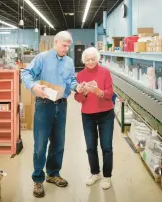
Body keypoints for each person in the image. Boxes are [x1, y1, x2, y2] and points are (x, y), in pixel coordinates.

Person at [21, 31, 82, 198]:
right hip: (44, 104)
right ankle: (38, 179)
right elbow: (25, 73)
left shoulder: (69, 61)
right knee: (40, 145)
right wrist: (33, 87)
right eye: (64, 45)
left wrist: (77, 87)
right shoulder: (42, 58)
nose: (66, 49)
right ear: (55, 42)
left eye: (68, 46)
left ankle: (53, 173)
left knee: (58, 143)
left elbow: (71, 80)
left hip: (61, 105)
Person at [74, 47, 115, 190]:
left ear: (97, 59)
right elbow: (77, 98)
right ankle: (95, 173)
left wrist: (98, 91)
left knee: (107, 147)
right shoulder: (80, 75)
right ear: (83, 60)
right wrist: (83, 92)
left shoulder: (105, 72)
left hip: (106, 114)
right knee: (91, 147)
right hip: (88, 115)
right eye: (87, 59)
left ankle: (107, 176)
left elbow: (110, 94)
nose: (90, 62)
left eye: (93, 59)